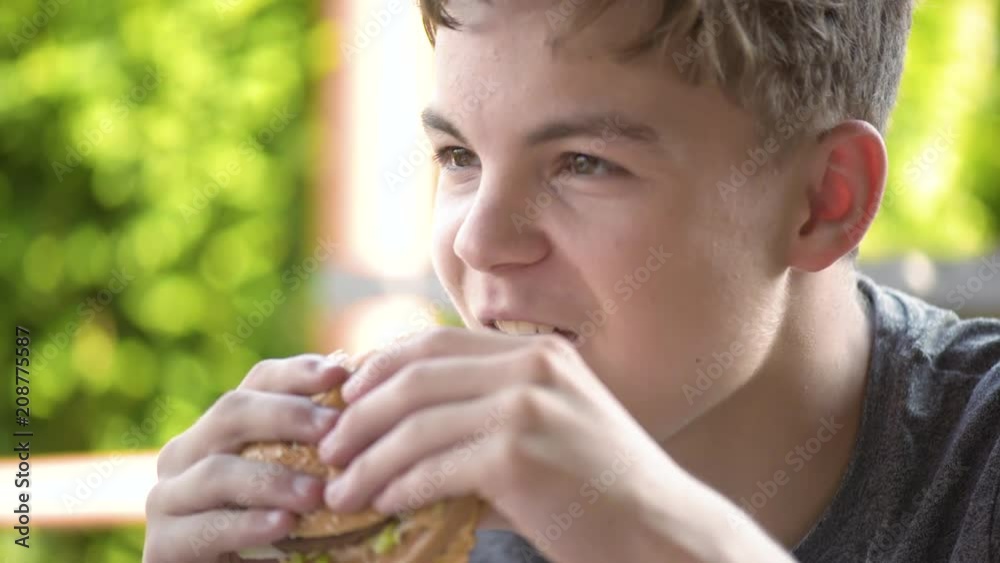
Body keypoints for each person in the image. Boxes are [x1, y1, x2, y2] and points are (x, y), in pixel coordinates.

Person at [143, 1, 1000, 561]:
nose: (477, 242)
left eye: (583, 163)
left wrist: (645, 526)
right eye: (459, 156)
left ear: (823, 201)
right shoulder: (423, 529)